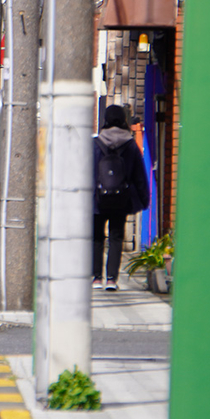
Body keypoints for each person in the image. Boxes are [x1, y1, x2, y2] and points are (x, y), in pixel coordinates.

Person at [92, 104, 151, 291]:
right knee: (116, 237)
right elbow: (139, 176)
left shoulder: (96, 144)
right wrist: (144, 199)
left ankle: (96, 278)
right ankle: (111, 279)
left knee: (97, 237)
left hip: (97, 199)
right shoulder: (131, 145)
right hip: (121, 198)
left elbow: (87, 172)